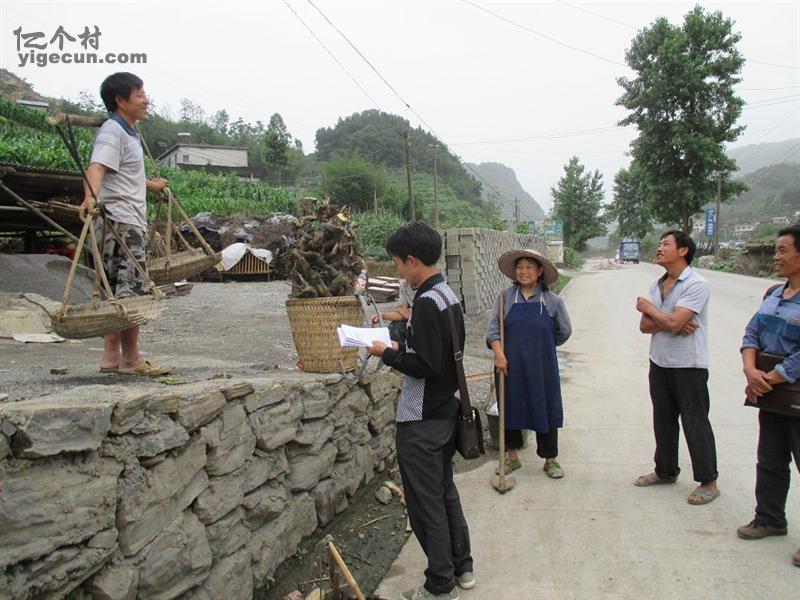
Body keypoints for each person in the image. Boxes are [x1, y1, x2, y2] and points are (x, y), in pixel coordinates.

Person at [367, 221, 473, 600]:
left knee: (425, 503)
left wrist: (386, 352)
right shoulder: (445, 295)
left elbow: (426, 366)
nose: (395, 270)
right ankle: (462, 567)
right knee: (444, 492)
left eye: (396, 262)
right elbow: (438, 349)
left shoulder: (427, 303)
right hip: (445, 412)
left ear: (412, 260)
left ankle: (439, 585)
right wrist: (400, 327)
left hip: (422, 418)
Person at [79, 72, 169, 376]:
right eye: (139, 93)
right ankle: (131, 358)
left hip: (124, 219)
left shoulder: (128, 132)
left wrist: (152, 186)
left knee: (115, 289)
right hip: (122, 222)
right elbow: (97, 167)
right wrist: (89, 198)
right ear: (121, 100)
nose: (146, 99)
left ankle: (111, 357)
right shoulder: (112, 132)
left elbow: (122, 174)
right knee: (130, 290)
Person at [635, 230, 719, 504]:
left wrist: (653, 311)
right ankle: (665, 471)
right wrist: (671, 320)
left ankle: (708, 481)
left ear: (683, 250)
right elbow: (644, 326)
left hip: (689, 365)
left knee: (695, 422)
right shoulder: (657, 284)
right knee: (663, 419)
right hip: (659, 361)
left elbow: (664, 322)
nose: (659, 248)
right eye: (659, 244)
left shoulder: (697, 284)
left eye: (665, 244)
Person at [736, 225, 800, 568]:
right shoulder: (774, 294)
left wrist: (772, 377)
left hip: (789, 387)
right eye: (775, 250)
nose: (776, 257)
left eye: (782, 250)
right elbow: (752, 332)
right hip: (769, 391)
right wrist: (751, 370)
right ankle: (770, 518)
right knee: (771, 458)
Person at [486, 249, 572, 478]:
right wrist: (499, 354)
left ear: (540, 271)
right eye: (520, 267)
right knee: (510, 407)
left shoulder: (552, 301)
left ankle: (550, 458)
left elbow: (564, 331)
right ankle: (512, 457)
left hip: (542, 367)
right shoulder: (504, 298)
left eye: (529, 267)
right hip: (509, 365)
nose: (523, 272)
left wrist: (542, 348)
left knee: (546, 408)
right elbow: (493, 330)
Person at [372, 278, 415, 343]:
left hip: (425, 322)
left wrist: (409, 313)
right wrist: (381, 316)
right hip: (412, 319)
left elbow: (409, 313)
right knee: (395, 327)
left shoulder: (428, 286)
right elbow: (401, 310)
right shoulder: (404, 284)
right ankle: (395, 350)